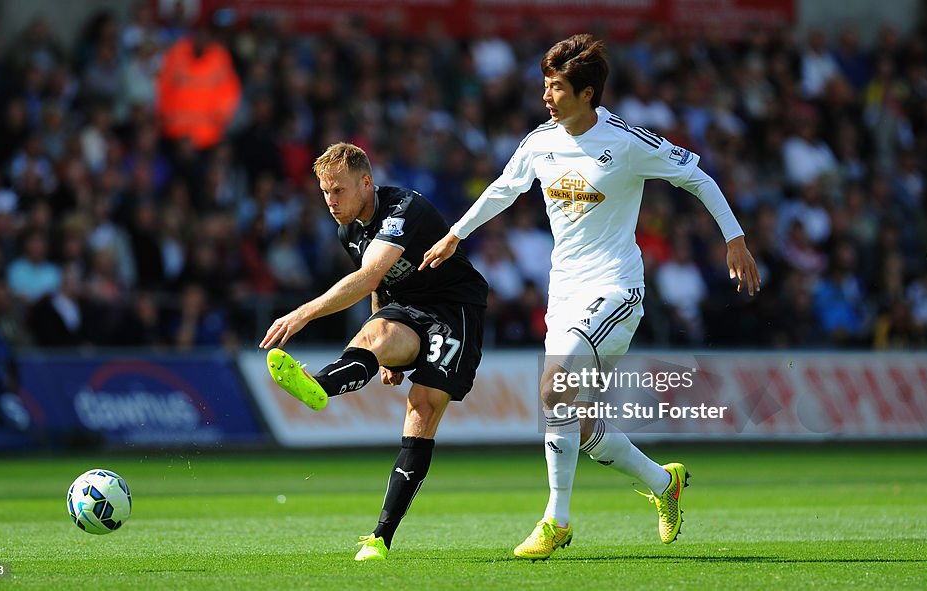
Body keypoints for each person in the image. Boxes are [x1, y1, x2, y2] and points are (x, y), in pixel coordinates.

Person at [421, 34, 761, 560]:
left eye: (556, 87)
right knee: (575, 420)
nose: (546, 96)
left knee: (554, 387)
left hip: (615, 290)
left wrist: (734, 240)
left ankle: (555, 520)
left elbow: (699, 179)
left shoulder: (626, 141)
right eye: (545, 86)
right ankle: (661, 481)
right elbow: (502, 189)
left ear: (587, 92)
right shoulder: (540, 142)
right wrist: (456, 234)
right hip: (565, 295)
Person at [258, 143, 488, 561]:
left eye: (339, 191)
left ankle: (381, 536)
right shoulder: (348, 228)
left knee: (422, 407)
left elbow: (369, 276)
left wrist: (303, 313)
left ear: (367, 182)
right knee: (373, 335)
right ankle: (319, 385)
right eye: (325, 192)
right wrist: (384, 350)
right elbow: (380, 289)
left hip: (454, 310)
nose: (331, 201)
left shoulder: (403, 209)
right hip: (407, 307)